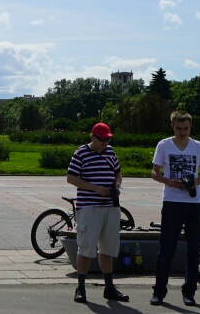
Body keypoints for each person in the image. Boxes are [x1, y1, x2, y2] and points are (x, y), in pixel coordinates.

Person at [151, 110, 200, 307]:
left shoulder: (199, 146)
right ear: (172, 126)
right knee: (166, 248)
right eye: (178, 128)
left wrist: (195, 182)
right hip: (172, 201)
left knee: (193, 250)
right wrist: (170, 181)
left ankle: (189, 292)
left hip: (194, 204)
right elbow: (154, 173)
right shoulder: (164, 145)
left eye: (186, 128)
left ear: (190, 127)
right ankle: (159, 292)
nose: (182, 132)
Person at [66, 122, 129, 303]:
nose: (106, 142)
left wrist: (116, 185)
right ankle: (81, 288)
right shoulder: (81, 153)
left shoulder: (110, 152)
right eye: (102, 139)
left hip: (110, 206)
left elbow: (118, 173)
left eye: (108, 139)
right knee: (86, 247)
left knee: (108, 248)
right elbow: (71, 177)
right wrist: (94, 188)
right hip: (89, 207)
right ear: (92, 137)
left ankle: (109, 287)